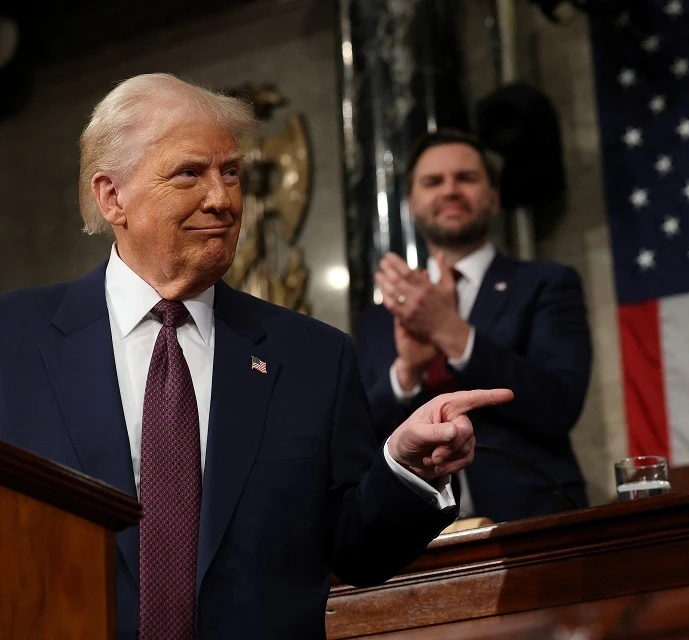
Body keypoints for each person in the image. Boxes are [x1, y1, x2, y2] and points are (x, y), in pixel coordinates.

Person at [0, 74, 512, 640]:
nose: (222, 199)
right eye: (189, 173)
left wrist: (407, 470)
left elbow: (356, 551)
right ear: (112, 196)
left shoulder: (313, 357)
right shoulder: (14, 340)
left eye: (231, 173)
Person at [354, 128, 591, 522]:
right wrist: (406, 372)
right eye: (433, 181)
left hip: (533, 520)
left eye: (465, 178)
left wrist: (453, 333)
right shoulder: (378, 319)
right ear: (411, 205)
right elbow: (357, 439)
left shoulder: (547, 284)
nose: (450, 190)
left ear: (494, 198)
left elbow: (559, 406)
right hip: (411, 533)